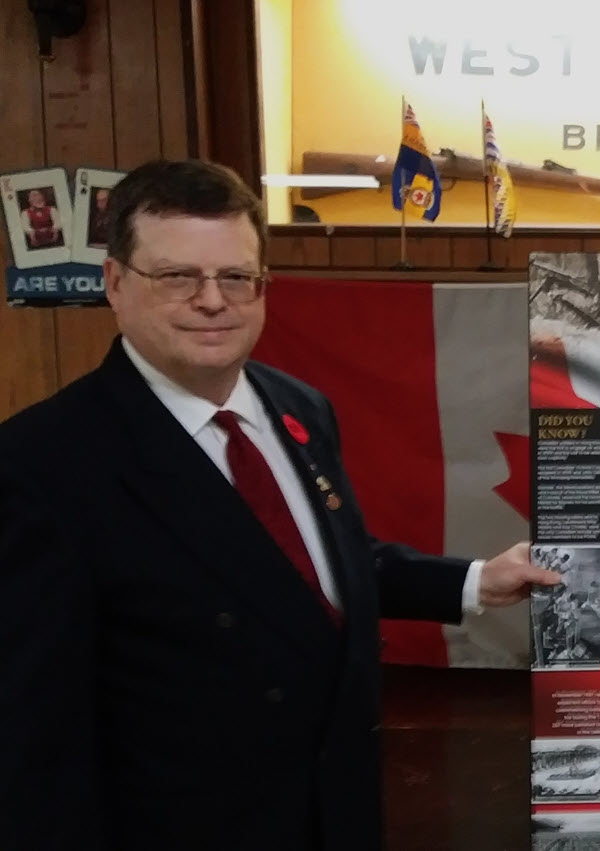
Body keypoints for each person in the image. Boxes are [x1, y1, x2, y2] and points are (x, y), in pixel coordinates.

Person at [0, 159, 560, 851]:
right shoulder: (39, 464)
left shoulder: (297, 407)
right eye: (178, 276)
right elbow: (34, 737)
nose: (213, 300)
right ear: (115, 283)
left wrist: (476, 579)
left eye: (236, 276)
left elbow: (315, 566)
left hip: (338, 808)